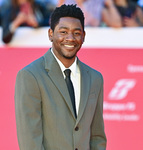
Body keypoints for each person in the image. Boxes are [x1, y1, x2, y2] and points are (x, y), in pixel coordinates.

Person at [15, 4, 107, 150]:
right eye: (63, 32)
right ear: (51, 34)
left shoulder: (95, 78)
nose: (70, 38)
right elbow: (30, 141)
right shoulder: (30, 76)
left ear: (83, 36)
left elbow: (97, 136)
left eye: (76, 33)